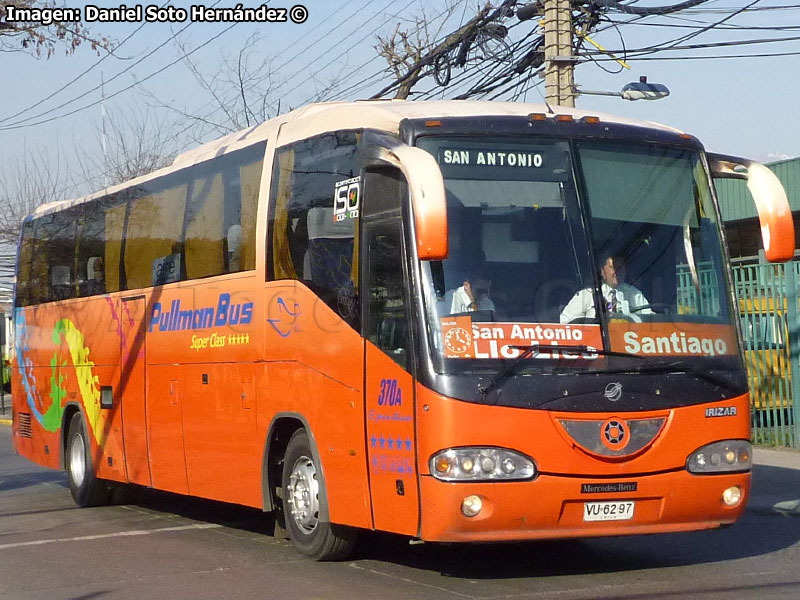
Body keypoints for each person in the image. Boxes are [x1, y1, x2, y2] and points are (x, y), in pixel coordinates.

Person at [560, 255, 652, 323]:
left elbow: (652, 320)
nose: (617, 272)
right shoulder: (586, 295)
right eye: (612, 268)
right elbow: (566, 323)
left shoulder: (634, 294)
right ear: (602, 271)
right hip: (598, 347)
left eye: (620, 267)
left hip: (629, 344)